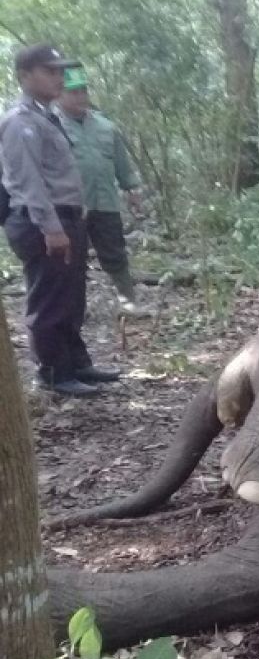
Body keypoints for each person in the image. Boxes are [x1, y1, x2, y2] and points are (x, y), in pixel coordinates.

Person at [1, 44, 121, 396]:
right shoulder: (19, 122)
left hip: (66, 219)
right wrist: (50, 227)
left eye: (59, 71)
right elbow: (29, 181)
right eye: (49, 71)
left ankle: (76, 363)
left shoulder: (47, 116)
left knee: (71, 295)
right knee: (50, 298)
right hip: (42, 223)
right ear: (25, 76)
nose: (58, 77)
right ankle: (53, 373)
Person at [55, 64, 150, 317]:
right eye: (73, 92)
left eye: (83, 91)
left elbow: (121, 164)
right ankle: (74, 308)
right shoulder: (52, 127)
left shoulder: (106, 127)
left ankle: (127, 301)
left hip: (105, 202)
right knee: (72, 260)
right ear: (59, 94)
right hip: (71, 206)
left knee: (115, 253)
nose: (79, 97)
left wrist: (133, 190)